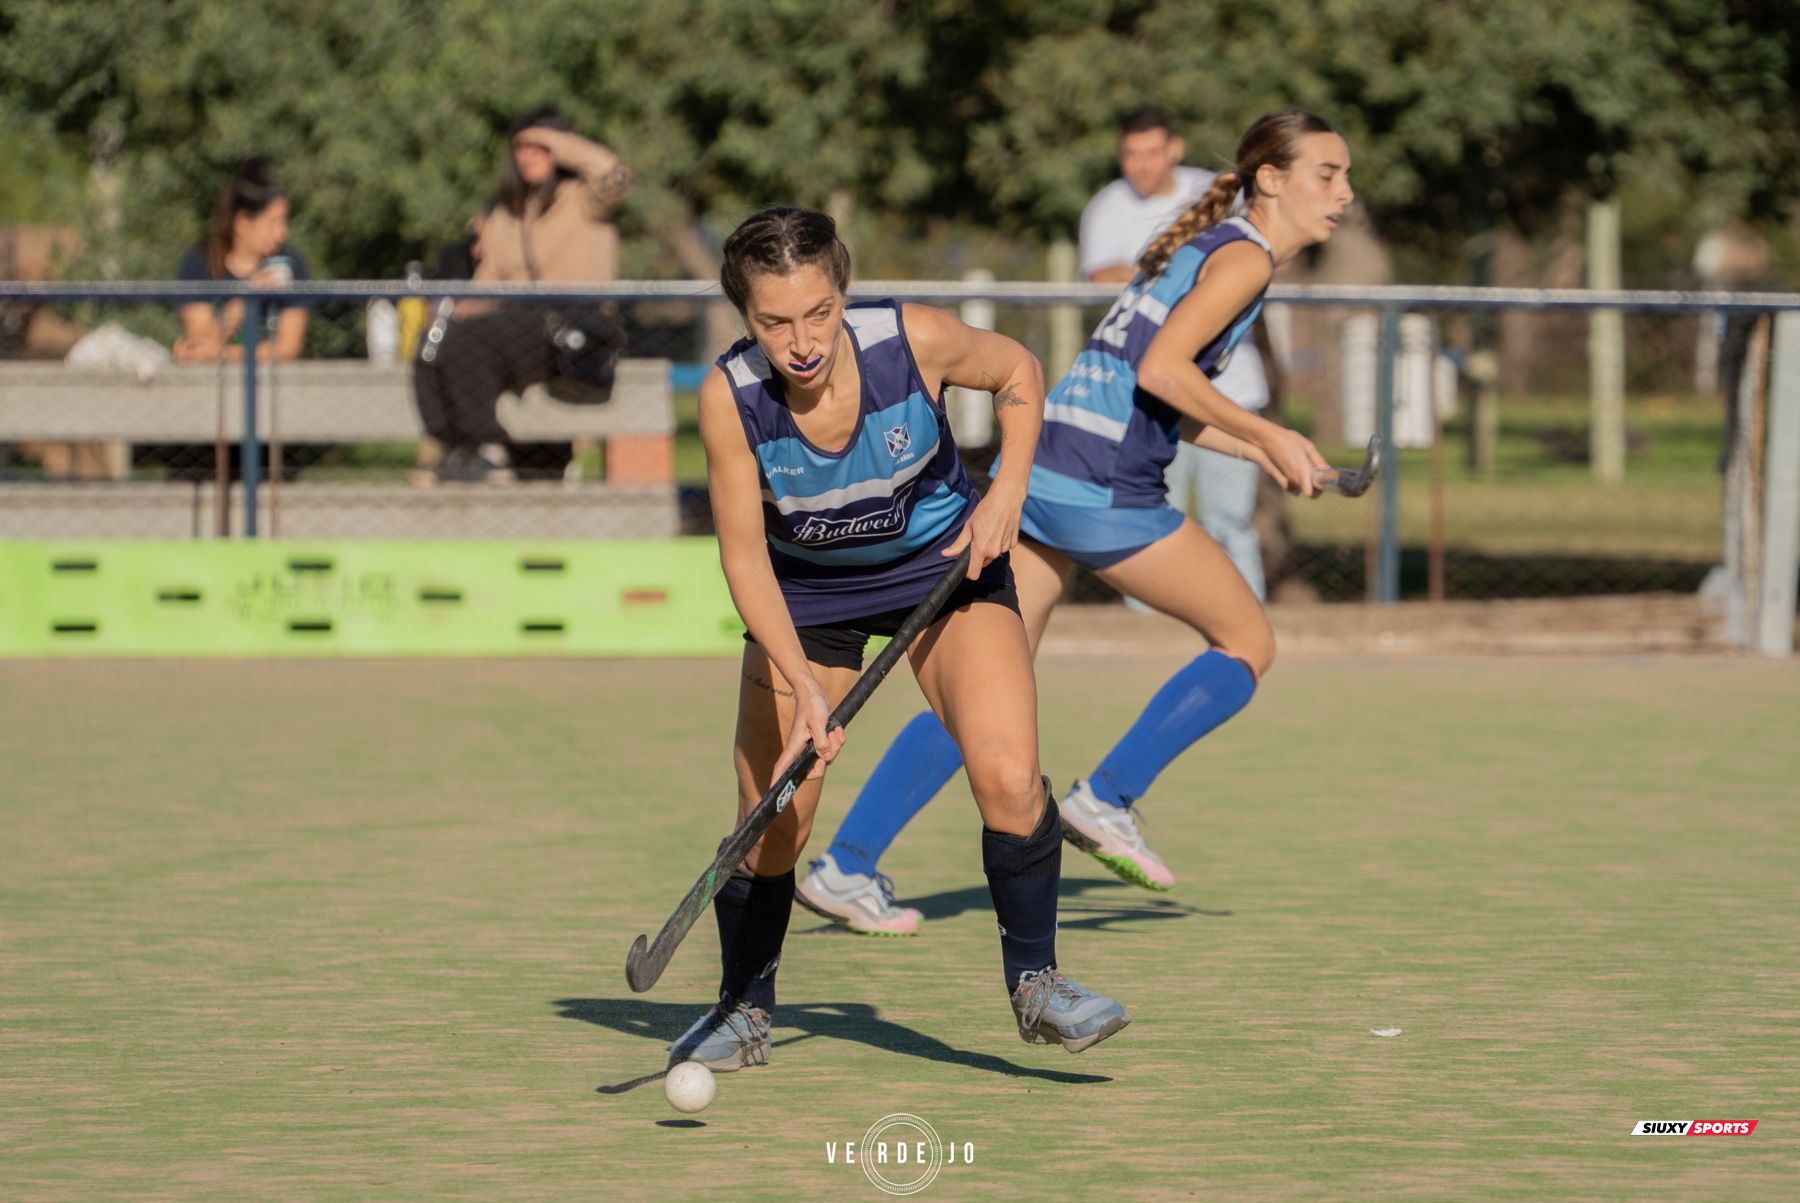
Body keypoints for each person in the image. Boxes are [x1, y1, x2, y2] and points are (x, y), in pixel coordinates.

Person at [798, 111, 1351, 935]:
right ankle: (1107, 797)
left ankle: (845, 865)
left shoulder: (1207, 247)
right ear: (1271, 178)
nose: (1344, 193)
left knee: (985, 692)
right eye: (1328, 174)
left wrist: (1253, 450)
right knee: (1248, 641)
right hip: (1105, 486)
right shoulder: (1243, 259)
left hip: (1053, 470)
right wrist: (1270, 428)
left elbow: (1149, 387)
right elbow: (1164, 372)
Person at [669, 207, 1132, 1071]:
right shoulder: (729, 398)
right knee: (776, 815)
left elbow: (1021, 372)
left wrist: (1006, 490)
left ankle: (1038, 983)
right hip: (807, 595)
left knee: (1003, 769)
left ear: (842, 290)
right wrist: (806, 689)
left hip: (944, 569)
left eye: (818, 311)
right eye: (774, 321)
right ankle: (742, 1008)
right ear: (746, 317)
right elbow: (744, 562)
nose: (801, 340)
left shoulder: (910, 339)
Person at [1082, 105, 1275, 599]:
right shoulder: (1106, 207)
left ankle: (1244, 617)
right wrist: (1191, 278)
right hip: (1149, 398)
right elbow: (1102, 278)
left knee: (1229, 518)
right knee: (1145, 517)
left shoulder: (1214, 194)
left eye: (1151, 152)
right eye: (1130, 154)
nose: (1141, 164)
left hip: (1224, 390)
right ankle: (1152, 631)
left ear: (1174, 148)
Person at [410, 105, 631, 485]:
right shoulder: (506, 211)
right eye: (521, 146)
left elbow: (615, 172)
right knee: (432, 343)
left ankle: (489, 448)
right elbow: (489, 280)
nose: (528, 154)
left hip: (578, 325)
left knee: (470, 337)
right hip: (522, 330)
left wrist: (553, 139)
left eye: (539, 146)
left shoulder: (584, 199)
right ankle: (463, 446)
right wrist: (453, 315)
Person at [174, 157, 310, 364]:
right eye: (274, 222)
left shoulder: (290, 264)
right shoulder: (199, 262)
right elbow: (198, 343)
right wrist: (248, 297)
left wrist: (221, 354)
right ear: (242, 223)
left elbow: (287, 348)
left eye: (284, 222)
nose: (282, 233)